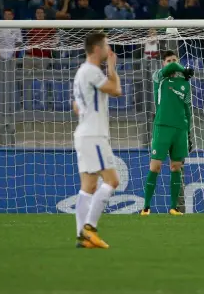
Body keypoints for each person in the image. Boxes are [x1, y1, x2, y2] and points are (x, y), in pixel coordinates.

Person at [72, 32, 122, 249]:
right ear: (97, 49)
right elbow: (116, 90)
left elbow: (76, 106)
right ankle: (89, 228)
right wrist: (112, 67)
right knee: (112, 181)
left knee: (88, 186)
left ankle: (82, 237)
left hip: (84, 132)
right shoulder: (92, 71)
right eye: (107, 46)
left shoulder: (80, 73)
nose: (109, 50)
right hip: (94, 135)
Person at [141, 50, 194, 216]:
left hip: (180, 129)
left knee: (176, 167)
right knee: (155, 166)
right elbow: (172, 67)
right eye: (168, 60)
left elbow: (187, 110)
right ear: (163, 63)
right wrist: (183, 68)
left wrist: (189, 134)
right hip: (162, 127)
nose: (171, 63)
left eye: (174, 60)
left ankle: (173, 207)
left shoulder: (185, 84)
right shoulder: (160, 77)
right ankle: (146, 207)